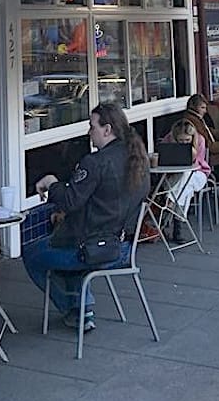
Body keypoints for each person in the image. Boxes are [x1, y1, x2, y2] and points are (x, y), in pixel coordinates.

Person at [22, 102, 149, 334]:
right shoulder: (138, 160)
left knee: (33, 254)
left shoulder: (95, 162)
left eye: (92, 127)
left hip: (91, 250)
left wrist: (51, 182)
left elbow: (69, 200)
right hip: (123, 247)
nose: (89, 132)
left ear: (107, 129)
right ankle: (83, 307)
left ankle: (74, 310)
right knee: (66, 247)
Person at [165, 118, 210, 244]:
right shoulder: (168, 139)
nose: (184, 143)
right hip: (175, 177)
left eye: (187, 141)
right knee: (186, 189)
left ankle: (169, 202)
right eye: (181, 141)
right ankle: (177, 229)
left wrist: (192, 154)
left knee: (187, 173)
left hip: (198, 173)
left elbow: (196, 165)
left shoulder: (200, 140)